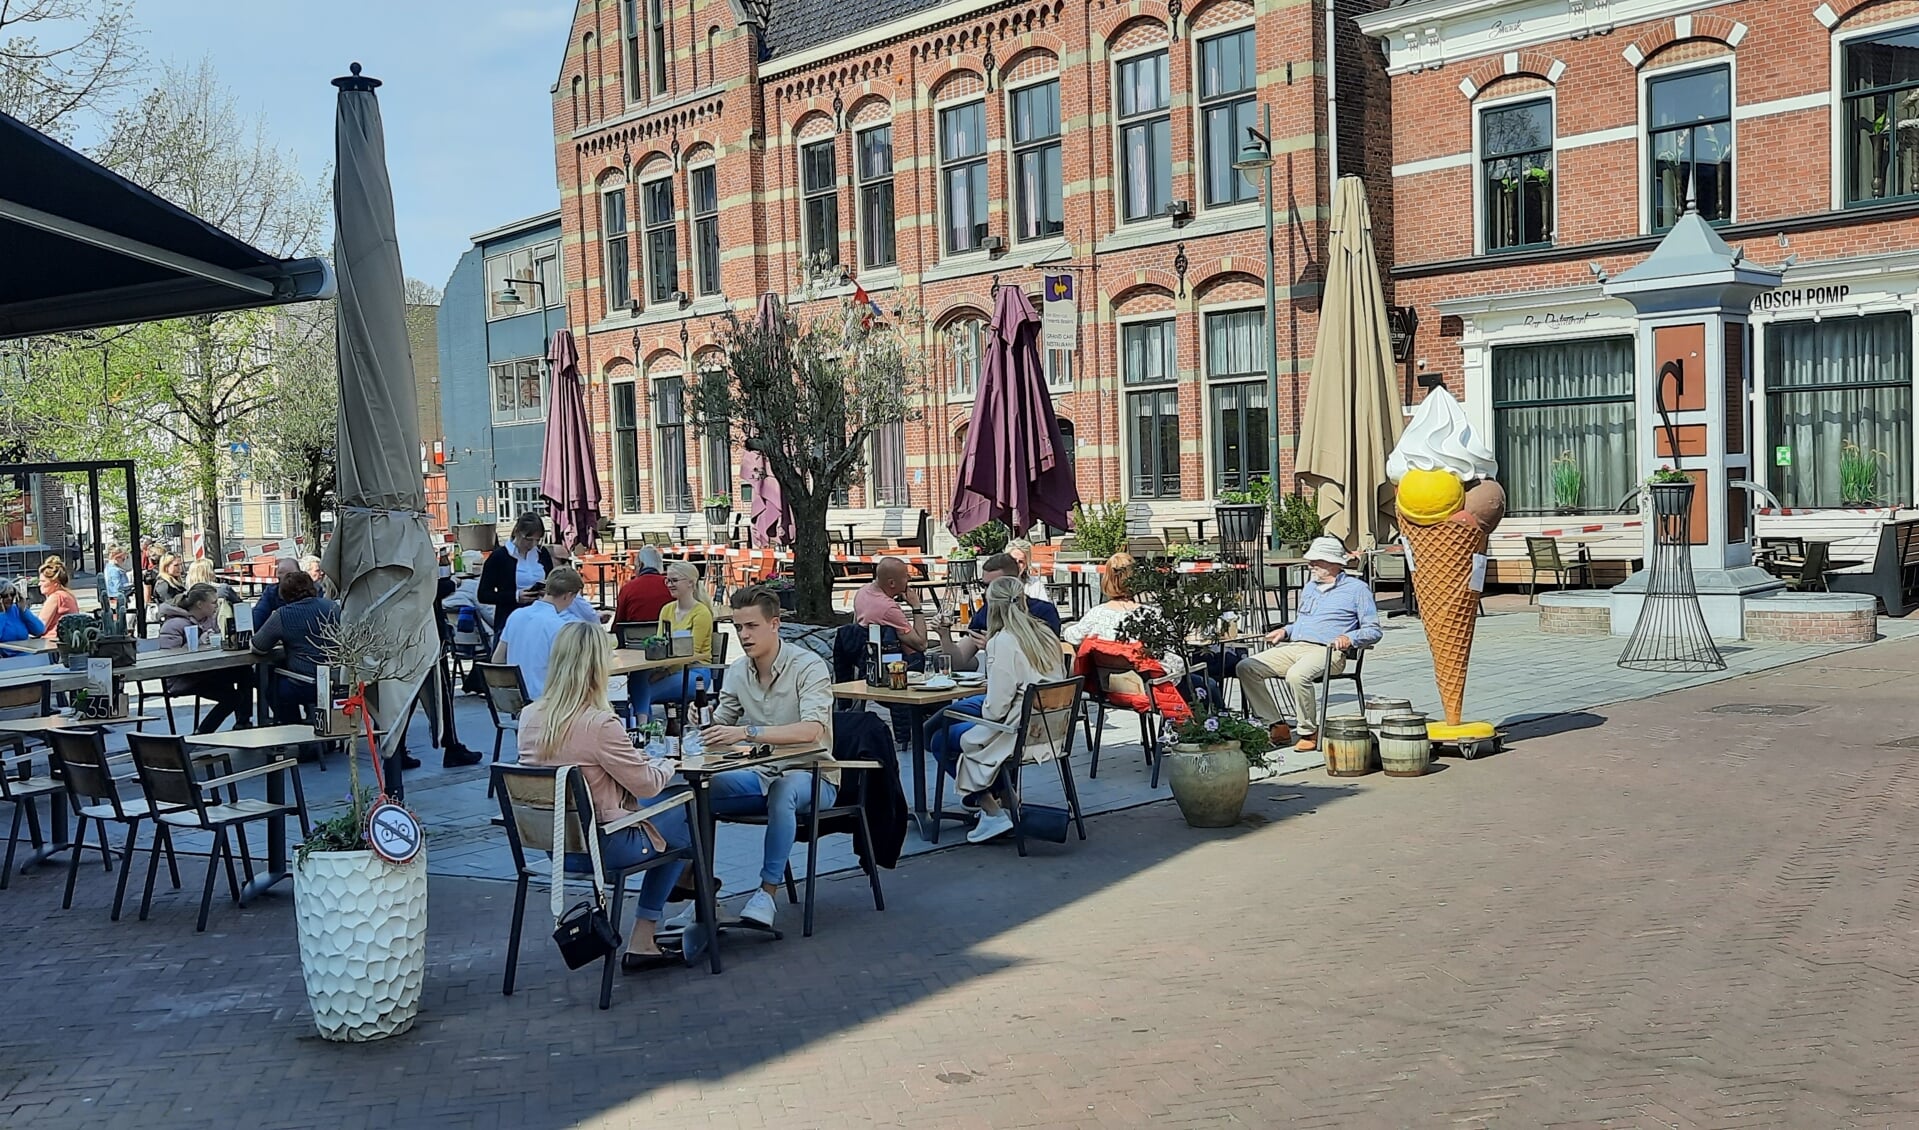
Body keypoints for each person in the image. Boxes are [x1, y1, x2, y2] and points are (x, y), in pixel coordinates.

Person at [517, 621, 699, 968]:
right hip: (604, 848)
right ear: (599, 667)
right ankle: (647, 933)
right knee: (687, 813)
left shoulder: (529, 717)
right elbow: (646, 784)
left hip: (556, 849)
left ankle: (688, 879)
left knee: (666, 822)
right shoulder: (599, 724)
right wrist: (668, 764)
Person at [694, 586, 836, 930]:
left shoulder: (808, 666)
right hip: (758, 771)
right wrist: (700, 729)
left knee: (784, 789)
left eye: (751, 627)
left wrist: (747, 733)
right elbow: (720, 723)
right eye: (738, 627)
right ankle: (701, 895)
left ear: (775, 624)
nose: (743, 635)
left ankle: (767, 892)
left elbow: (810, 732)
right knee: (694, 791)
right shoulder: (739, 670)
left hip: (813, 772)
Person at [1235, 536, 1382, 752]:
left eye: (1316, 561)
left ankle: (1308, 731)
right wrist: (1285, 630)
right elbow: (1304, 622)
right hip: (1296, 646)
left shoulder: (1357, 589)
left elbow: (1374, 630)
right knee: (1247, 667)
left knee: (1297, 675)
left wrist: (1350, 638)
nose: (1310, 565)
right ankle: (1276, 725)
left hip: (1329, 652)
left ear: (1333, 562)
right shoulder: (1310, 587)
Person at [946, 576, 1065, 843]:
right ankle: (1001, 801)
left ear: (992, 608)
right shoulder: (1045, 634)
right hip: (1050, 730)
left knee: (942, 735)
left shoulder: (1002, 641)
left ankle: (992, 809)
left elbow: (996, 710)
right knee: (946, 727)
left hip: (1017, 733)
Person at [1061, 552, 1186, 682]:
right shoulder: (1151, 615)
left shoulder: (1096, 614)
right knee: (1206, 681)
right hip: (1151, 691)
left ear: (1107, 578)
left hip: (1108, 691)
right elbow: (1172, 660)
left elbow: (1071, 636)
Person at [155, 583, 253, 733]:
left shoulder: (209, 620)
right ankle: (202, 733)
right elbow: (168, 658)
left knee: (245, 672)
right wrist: (198, 644)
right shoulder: (174, 624)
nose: (216, 606)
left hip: (206, 672)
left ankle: (244, 722)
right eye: (213, 602)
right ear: (200, 604)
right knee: (232, 697)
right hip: (184, 678)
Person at [250, 571, 339, 726]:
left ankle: (297, 731)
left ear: (283, 594)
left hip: (306, 683)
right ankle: (317, 729)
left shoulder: (283, 615)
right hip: (337, 679)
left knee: (273, 692)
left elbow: (258, 646)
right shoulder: (332, 607)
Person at [628, 561, 714, 719]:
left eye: (674, 580)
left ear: (690, 583)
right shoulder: (666, 609)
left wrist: (665, 672)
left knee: (643, 693)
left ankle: (645, 731)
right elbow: (660, 644)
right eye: (667, 580)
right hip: (668, 670)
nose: (669, 584)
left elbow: (692, 654)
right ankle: (644, 729)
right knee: (637, 678)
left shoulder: (701, 613)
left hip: (695, 672)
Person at [491, 565, 585, 701]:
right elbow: (570, 672)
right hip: (548, 701)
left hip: (517, 699)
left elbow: (497, 660)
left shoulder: (516, 615)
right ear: (568, 595)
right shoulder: (560, 627)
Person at [478, 513, 554, 637]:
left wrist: (547, 591)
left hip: (541, 617)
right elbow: (483, 595)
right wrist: (515, 596)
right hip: (510, 619)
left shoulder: (542, 553)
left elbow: (551, 579)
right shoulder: (500, 557)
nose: (532, 544)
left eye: (537, 540)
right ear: (517, 532)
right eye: (528, 539)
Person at [853, 556, 928, 654]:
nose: (910, 578)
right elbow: (921, 644)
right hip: (901, 662)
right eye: (906, 576)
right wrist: (916, 607)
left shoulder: (862, 591)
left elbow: (854, 624)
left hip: (869, 653)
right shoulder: (888, 609)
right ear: (892, 583)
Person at [614, 545, 672, 627]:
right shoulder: (671, 585)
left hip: (634, 637)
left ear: (640, 564)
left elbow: (619, 622)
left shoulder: (627, 588)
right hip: (666, 635)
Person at [35, 556, 79, 640]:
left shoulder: (56, 597)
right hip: (66, 641)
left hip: (51, 642)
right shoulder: (69, 596)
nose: (39, 584)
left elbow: (39, 628)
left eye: (43, 581)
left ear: (55, 583)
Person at [253, 557, 302, 626]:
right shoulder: (272, 591)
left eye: (290, 578)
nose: (284, 583)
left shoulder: (312, 591)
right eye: (280, 579)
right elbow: (258, 616)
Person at [102, 545, 132, 626]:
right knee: (120, 621)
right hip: (116, 598)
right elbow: (117, 587)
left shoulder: (109, 567)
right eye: (123, 559)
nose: (124, 561)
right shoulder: (114, 570)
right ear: (117, 558)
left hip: (114, 598)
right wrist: (131, 586)